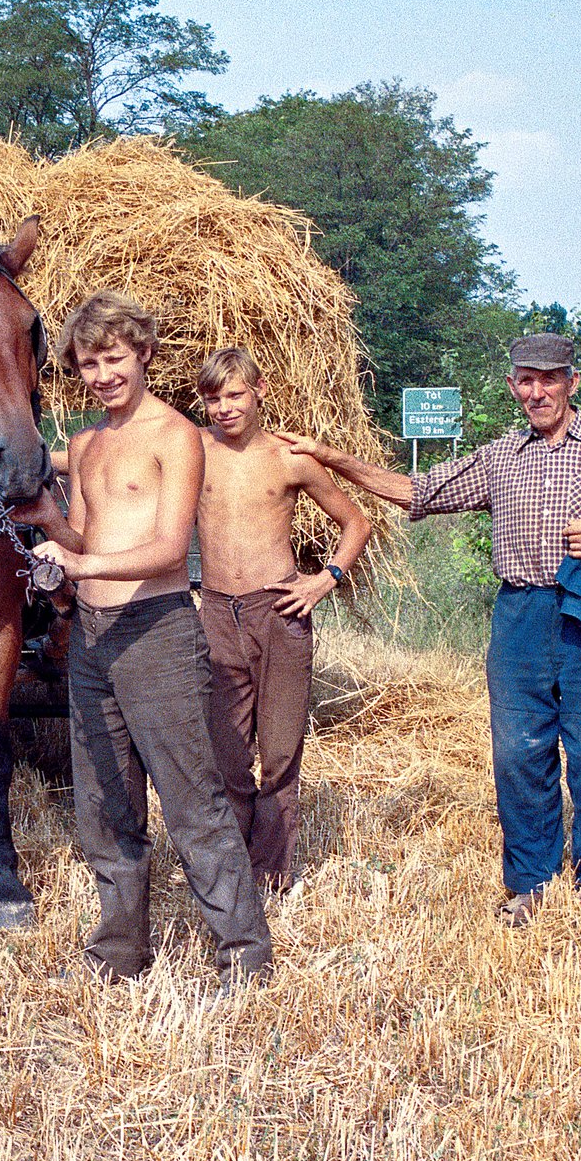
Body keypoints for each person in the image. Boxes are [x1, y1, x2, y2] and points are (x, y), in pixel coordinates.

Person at [282, 331, 581, 927]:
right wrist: (332, 459)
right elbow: (418, 490)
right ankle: (532, 882)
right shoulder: (500, 458)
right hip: (519, 620)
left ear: (573, 381)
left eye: (550, 379)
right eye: (525, 381)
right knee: (518, 754)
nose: (537, 392)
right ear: (513, 385)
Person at [18, 295, 273, 987]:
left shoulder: (175, 434)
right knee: (104, 808)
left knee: (193, 805)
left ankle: (244, 956)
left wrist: (84, 564)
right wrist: (52, 558)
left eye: (114, 358)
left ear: (144, 355)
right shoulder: (88, 444)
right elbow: (80, 535)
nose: (102, 374)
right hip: (93, 641)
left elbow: (166, 550)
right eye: (89, 363)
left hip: (158, 633)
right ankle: (117, 957)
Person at [192, 347, 371, 897]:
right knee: (225, 753)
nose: (224, 408)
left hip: (279, 613)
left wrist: (326, 579)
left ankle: (270, 874)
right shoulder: (193, 451)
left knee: (280, 751)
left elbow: (355, 522)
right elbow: (102, 453)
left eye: (235, 394)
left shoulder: (290, 459)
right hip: (217, 612)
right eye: (213, 398)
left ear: (259, 389)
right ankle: (232, 868)